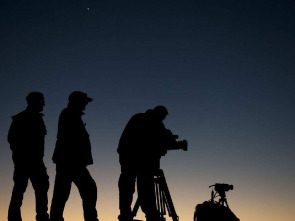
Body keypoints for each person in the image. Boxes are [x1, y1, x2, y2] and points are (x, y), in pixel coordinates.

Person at [50, 91, 99, 221]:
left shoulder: (72, 114)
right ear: (77, 101)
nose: (86, 104)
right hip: (71, 161)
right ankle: (90, 218)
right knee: (86, 189)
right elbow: (70, 139)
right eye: (84, 101)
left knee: (63, 192)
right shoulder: (69, 114)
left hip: (70, 161)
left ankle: (57, 217)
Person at [117, 105, 172, 221]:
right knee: (140, 186)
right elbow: (151, 140)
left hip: (136, 159)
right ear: (158, 114)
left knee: (138, 186)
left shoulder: (145, 119)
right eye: (162, 117)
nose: (162, 120)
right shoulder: (145, 120)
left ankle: (132, 213)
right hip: (135, 158)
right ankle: (146, 213)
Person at [7, 92, 49, 221]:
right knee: (21, 189)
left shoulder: (36, 118)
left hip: (34, 160)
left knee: (40, 187)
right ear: (37, 102)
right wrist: (22, 156)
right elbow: (11, 139)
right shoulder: (21, 118)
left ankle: (42, 216)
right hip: (26, 161)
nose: (44, 104)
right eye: (42, 102)